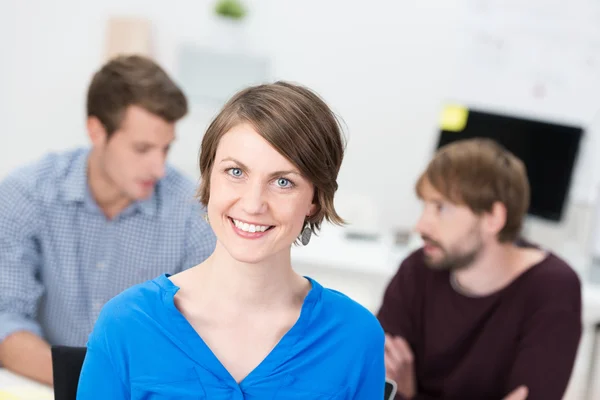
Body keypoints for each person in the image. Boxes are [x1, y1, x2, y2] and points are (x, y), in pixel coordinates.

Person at [76, 81, 385, 399]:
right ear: (209, 179)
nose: (253, 204)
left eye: (283, 181)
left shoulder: (355, 337)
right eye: (235, 172)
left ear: (314, 200)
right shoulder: (126, 324)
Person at [0, 55, 216, 385]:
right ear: (96, 131)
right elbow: (6, 318)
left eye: (166, 149)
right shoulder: (26, 194)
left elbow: (204, 342)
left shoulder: (193, 215)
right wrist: (91, 385)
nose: (158, 168)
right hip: (46, 386)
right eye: (142, 149)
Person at [377, 138, 582, 400]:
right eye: (424, 206)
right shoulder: (418, 268)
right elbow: (374, 385)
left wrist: (409, 395)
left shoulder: (552, 288)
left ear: (493, 218)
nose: (421, 226)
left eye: (441, 208)